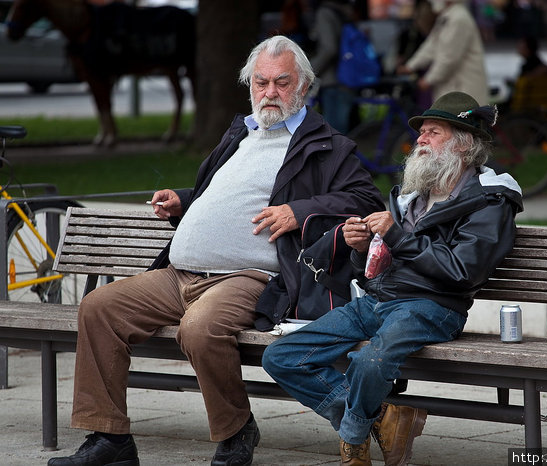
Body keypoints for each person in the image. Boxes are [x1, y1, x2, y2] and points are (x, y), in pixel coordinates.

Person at [47, 35, 385, 466]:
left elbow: (367, 201)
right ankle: (109, 438)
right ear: (249, 85)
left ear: (303, 87)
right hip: (179, 273)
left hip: (249, 276)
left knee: (200, 329)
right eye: (260, 82)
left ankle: (235, 431)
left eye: (282, 82)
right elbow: (221, 195)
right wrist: (183, 202)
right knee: (99, 307)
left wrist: (301, 211)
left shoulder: (328, 146)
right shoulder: (240, 134)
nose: (270, 93)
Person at [262, 91, 523, 465]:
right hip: (377, 301)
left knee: (369, 363)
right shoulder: (412, 196)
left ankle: (353, 442)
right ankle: (383, 419)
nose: (420, 139)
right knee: (282, 357)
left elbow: (463, 271)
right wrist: (359, 247)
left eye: (433, 132)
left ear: (463, 145)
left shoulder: (489, 201)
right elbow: (376, 266)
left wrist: (398, 237)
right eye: (422, 132)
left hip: (432, 307)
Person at [397, 0, 489, 106]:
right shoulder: (446, 17)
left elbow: (449, 58)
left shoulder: (458, 19)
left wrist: (428, 80)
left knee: (460, 118)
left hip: (462, 86)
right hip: (452, 86)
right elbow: (431, 46)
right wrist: (410, 66)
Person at [308, 0, 357, 134]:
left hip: (333, 80)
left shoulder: (324, 13)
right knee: (340, 134)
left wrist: (308, 71)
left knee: (333, 137)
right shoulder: (345, 12)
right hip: (348, 78)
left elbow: (329, 49)